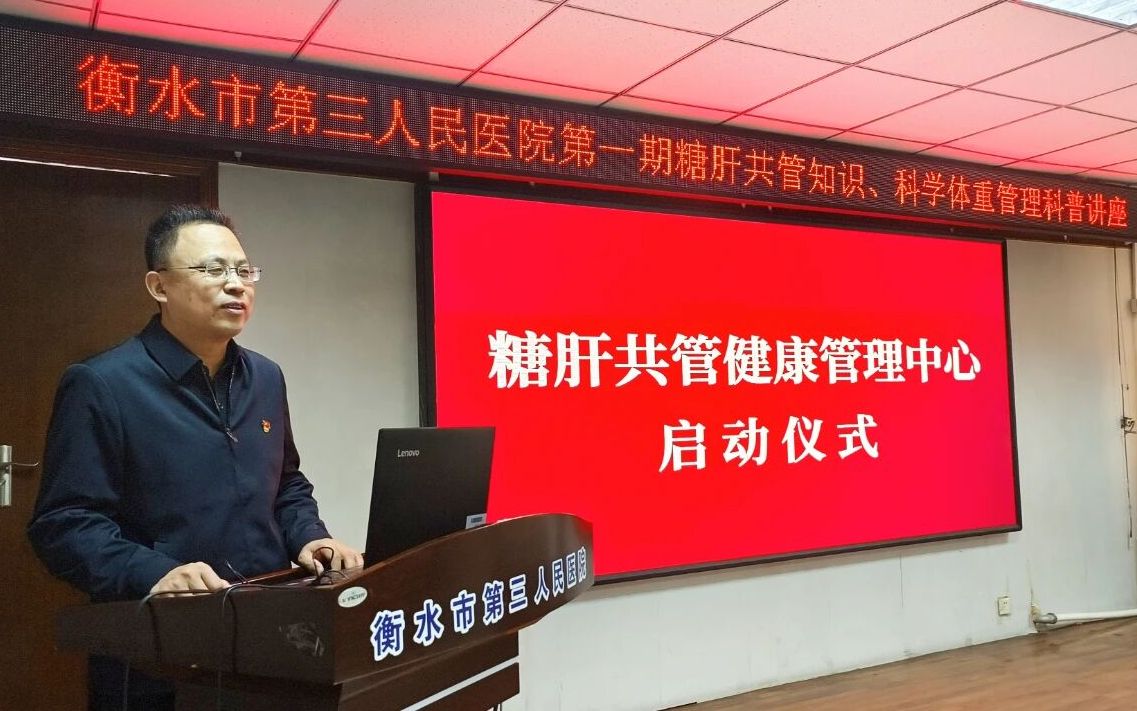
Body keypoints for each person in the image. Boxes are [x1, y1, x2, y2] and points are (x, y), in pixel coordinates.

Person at [27, 204, 363, 710]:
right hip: (158, 652)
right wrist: (154, 572)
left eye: (244, 270)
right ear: (159, 286)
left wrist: (310, 536)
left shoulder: (265, 377)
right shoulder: (102, 384)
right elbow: (64, 524)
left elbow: (287, 483)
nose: (236, 284)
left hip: (269, 635)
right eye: (213, 269)